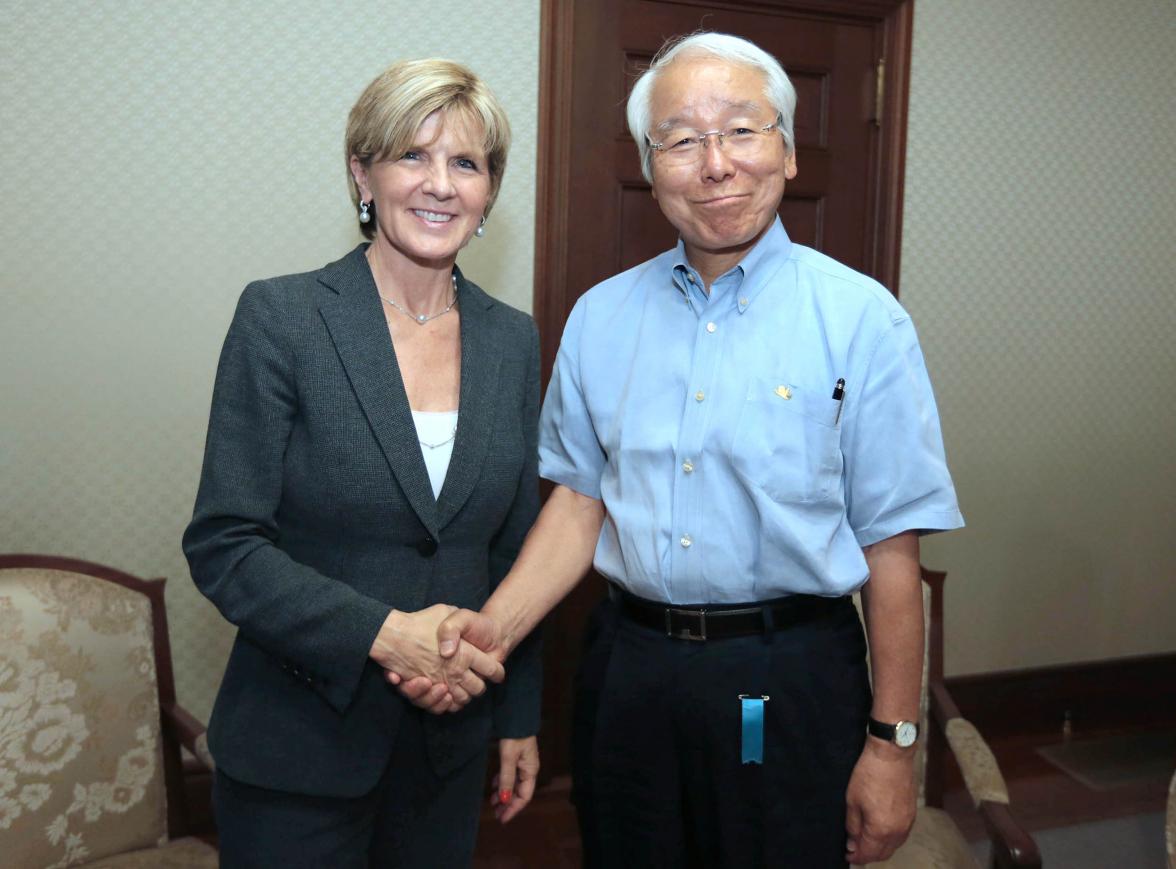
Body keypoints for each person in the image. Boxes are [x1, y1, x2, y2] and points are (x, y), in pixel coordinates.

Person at [398, 31, 964, 868]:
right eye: (684, 139)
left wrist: (893, 744)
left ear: (790, 150)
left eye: (743, 130)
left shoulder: (863, 321)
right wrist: (486, 640)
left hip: (793, 673)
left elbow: (893, 549)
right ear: (649, 163)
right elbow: (581, 504)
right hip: (631, 673)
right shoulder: (600, 317)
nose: (717, 163)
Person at [182, 58, 541, 868]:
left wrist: (519, 712)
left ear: (489, 191)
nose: (439, 184)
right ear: (362, 174)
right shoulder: (283, 317)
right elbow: (225, 543)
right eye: (412, 156)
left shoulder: (512, 339)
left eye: (466, 163)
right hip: (298, 753)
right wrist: (382, 634)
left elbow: (515, 548)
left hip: (449, 753)